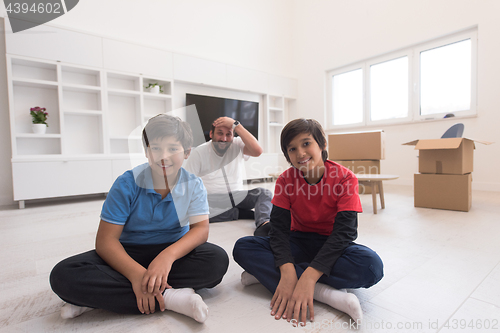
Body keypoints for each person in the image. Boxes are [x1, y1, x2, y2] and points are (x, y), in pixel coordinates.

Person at [50, 114, 229, 323]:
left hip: (172, 251)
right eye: (155, 148)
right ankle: (171, 297)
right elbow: (106, 241)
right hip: (128, 253)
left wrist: (167, 257)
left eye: (173, 149)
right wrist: (136, 275)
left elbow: (200, 230)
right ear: (146, 151)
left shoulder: (193, 185)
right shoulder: (126, 183)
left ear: (187, 152)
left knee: (217, 262)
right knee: (63, 276)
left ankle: (96, 299)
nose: (163, 156)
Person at [232, 118, 384, 327]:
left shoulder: (345, 178)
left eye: (306, 144)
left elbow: (344, 234)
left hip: (332, 245)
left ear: (322, 145)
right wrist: (286, 269)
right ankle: (327, 294)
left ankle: (273, 277)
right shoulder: (286, 180)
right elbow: (279, 230)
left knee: (371, 267)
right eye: (292, 149)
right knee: (243, 246)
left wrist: (309, 277)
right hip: (298, 241)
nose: (300, 153)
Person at [185, 116, 273, 237]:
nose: (224, 139)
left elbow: (257, 151)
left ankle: (263, 224)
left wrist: (236, 125)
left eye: (228, 134)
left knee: (265, 193)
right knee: (193, 215)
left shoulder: (237, 144)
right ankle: (238, 214)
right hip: (211, 199)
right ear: (211, 134)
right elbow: (187, 185)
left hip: (237, 197)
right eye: (220, 133)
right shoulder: (199, 152)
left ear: (233, 136)